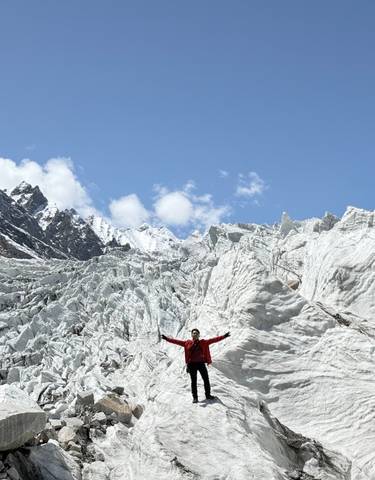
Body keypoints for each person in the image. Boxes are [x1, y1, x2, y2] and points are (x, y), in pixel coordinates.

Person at [161, 328, 230, 403]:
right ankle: (195, 398)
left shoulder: (204, 342)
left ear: (199, 335)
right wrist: (166, 339)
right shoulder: (187, 343)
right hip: (192, 365)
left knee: (206, 380)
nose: (195, 334)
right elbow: (176, 341)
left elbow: (213, 340)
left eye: (196, 333)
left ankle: (208, 395)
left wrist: (224, 336)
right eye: (193, 333)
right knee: (193, 381)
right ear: (191, 335)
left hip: (201, 364)